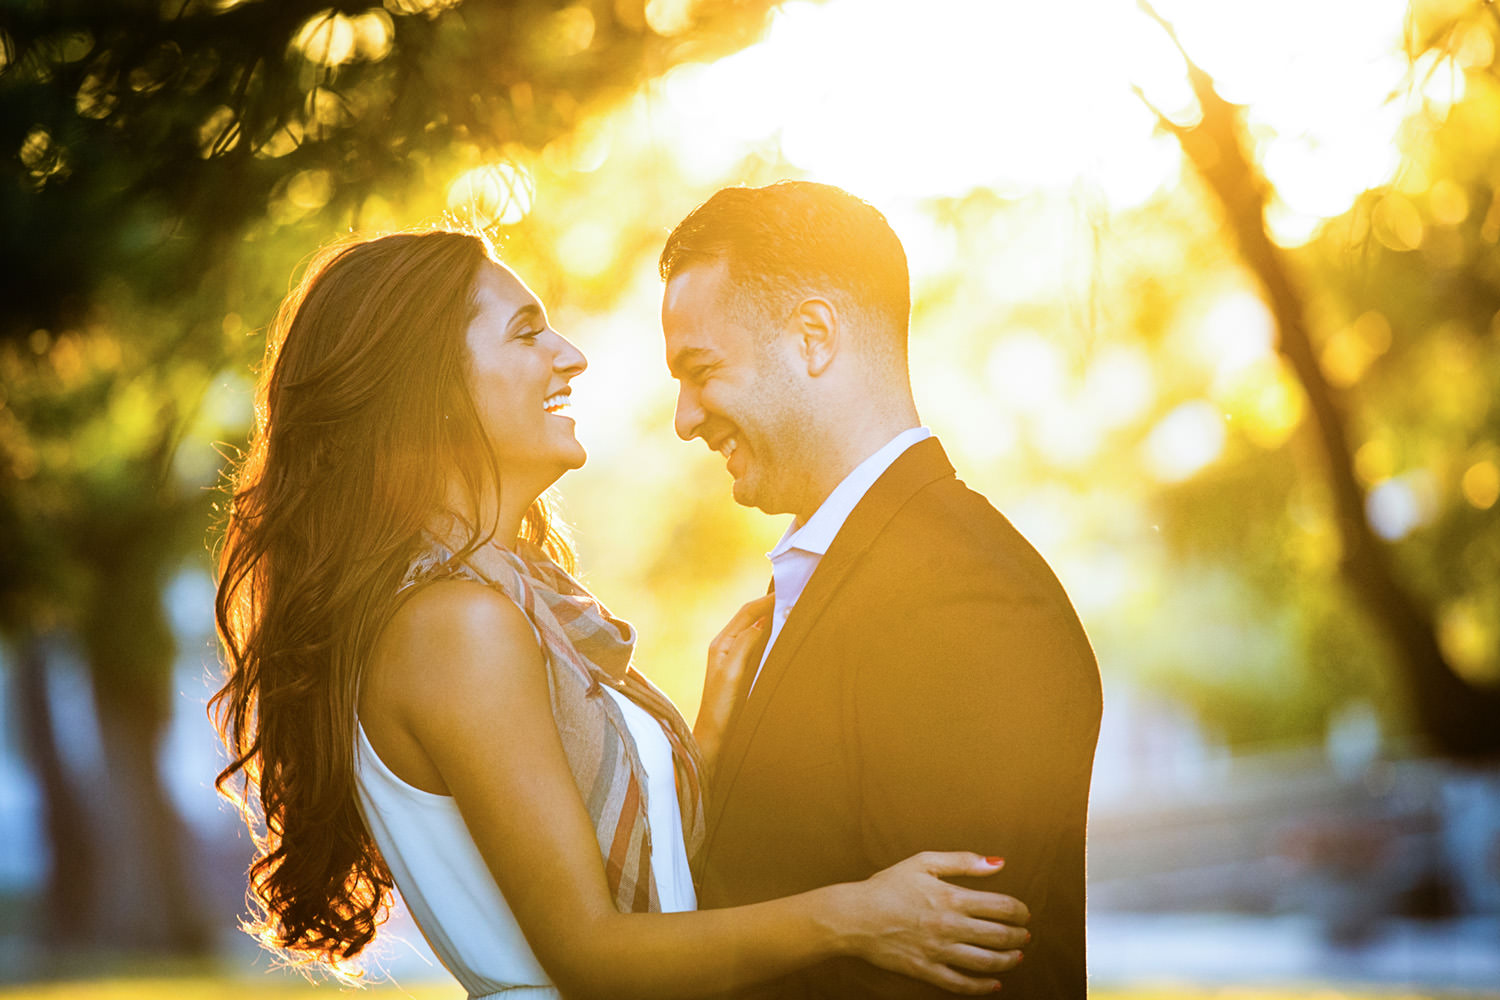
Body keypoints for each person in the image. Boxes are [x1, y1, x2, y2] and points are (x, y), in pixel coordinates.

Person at [211, 228, 1034, 1000]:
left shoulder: (500, 607)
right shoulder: (456, 626)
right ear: (429, 383)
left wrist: (703, 734)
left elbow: (641, 883)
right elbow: (591, 952)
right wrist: (853, 916)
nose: (570, 355)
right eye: (527, 333)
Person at [659, 181, 1104, 999]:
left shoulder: (965, 601)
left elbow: (947, 974)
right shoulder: (842, 576)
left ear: (814, 336)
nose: (685, 418)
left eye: (702, 369)